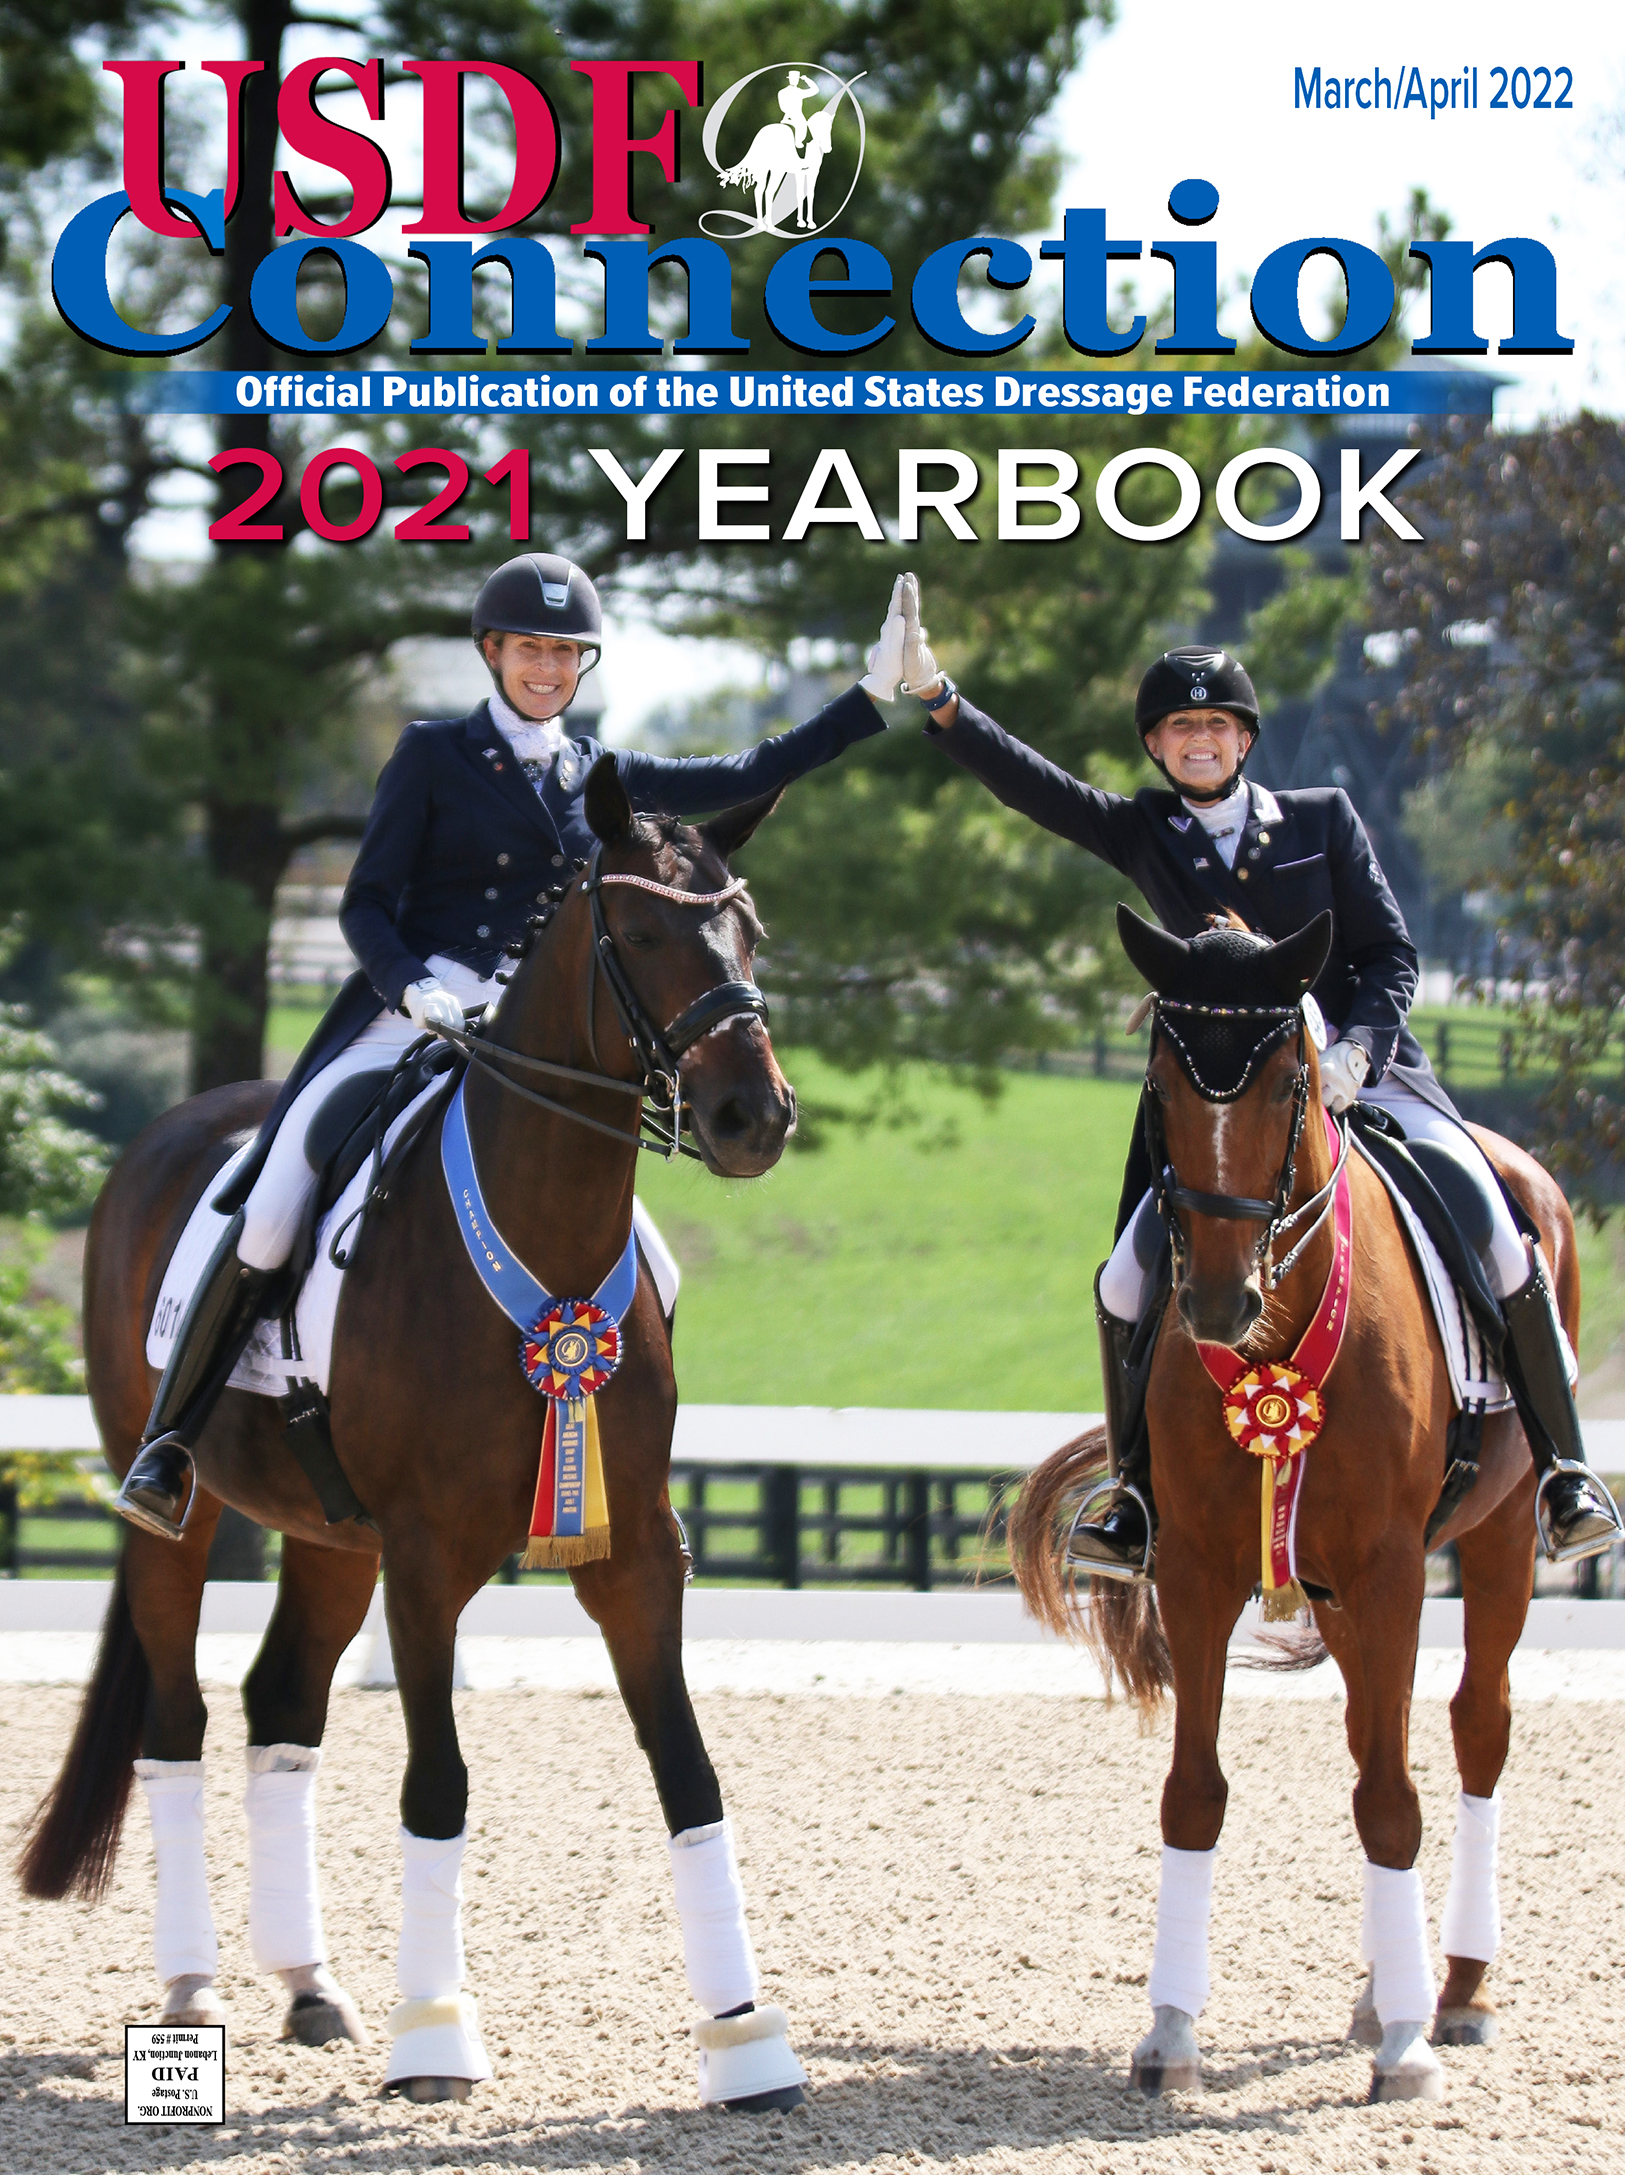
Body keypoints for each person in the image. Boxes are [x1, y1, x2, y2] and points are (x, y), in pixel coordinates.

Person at [116, 559, 917, 1539]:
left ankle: (627, 1489)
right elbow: (366, 904)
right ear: (491, 652)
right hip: (414, 1012)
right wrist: (412, 984)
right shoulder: (431, 755)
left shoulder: (599, 774)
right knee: (280, 1189)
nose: (547, 667)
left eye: (565, 652)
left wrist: (870, 695)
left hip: (538, 1034)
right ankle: (172, 1437)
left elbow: (747, 772)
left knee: (654, 1268)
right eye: (530, 648)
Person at [889, 573, 1621, 1574]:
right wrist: (937, 698)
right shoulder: (1143, 830)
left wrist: (1356, 1050)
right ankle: (1132, 1496)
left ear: (1243, 740)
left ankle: (1562, 1473)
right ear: (1155, 745)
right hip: (1224, 1102)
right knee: (1123, 1279)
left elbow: (1390, 954)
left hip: (1367, 1078)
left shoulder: (1321, 819)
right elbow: (1036, 788)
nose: (1198, 740)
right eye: (1178, 727)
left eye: (1215, 725)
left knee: (1496, 1229)